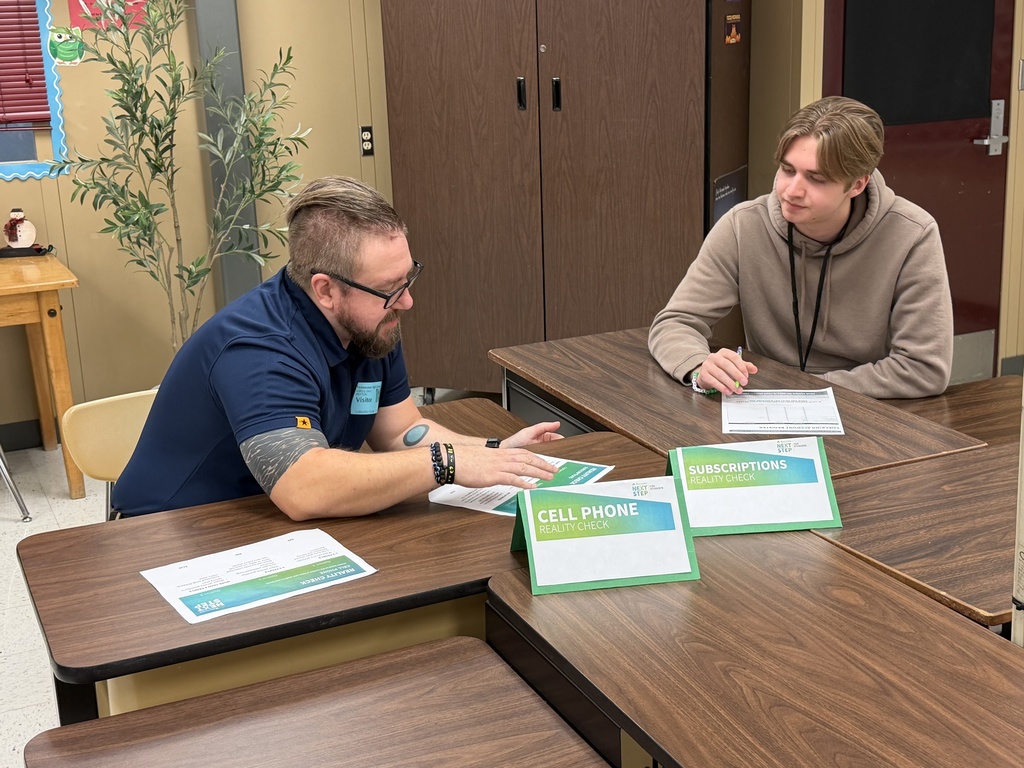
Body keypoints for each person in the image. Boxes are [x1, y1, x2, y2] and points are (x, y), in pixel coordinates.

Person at [112, 176, 562, 519]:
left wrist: (494, 453)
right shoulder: (259, 350)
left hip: (268, 524)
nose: (406, 301)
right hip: (172, 530)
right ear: (326, 290)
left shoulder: (372, 325)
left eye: (408, 279)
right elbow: (304, 487)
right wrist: (446, 462)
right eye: (389, 289)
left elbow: (399, 432)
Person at [649, 96, 953, 400]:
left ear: (857, 184)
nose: (792, 191)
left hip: (868, 407)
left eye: (816, 178)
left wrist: (803, 392)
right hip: (764, 405)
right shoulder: (743, 226)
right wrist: (699, 366)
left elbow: (924, 368)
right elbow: (675, 323)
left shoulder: (912, 234)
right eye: (787, 169)